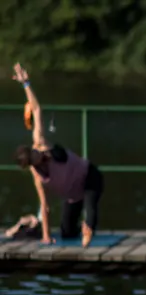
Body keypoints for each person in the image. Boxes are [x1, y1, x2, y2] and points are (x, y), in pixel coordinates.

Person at [12, 63, 104, 247]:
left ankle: (89, 229)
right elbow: (44, 206)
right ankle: (78, 228)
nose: (36, 162)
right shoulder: (37, 174)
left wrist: (26, 84)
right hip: (73, 194)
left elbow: (37, 110)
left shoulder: (40, 141)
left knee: (91, 207)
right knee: (67, 233)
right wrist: (46, 235)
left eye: (35, 158)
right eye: (32, 163)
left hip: (89, 178)